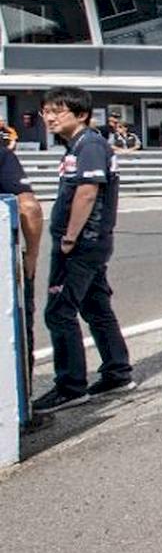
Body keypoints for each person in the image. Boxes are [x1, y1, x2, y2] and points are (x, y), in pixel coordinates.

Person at [34, 87, 134, 414]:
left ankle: (70, 386)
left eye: (57, 111)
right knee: (95, 306)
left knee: (59, 311)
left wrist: (69, 238)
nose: (49, 117)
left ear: (80, 115)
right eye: (46, 111)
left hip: (82, 243)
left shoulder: (89, 144)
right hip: (91, 241)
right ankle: (117, 371)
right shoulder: (79, 144)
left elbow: (88, 192)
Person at [0, 132, 44, 379]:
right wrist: (31, 256)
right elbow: (29, 208)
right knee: (15, 333)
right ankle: (22, 404)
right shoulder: (3, 156)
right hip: (4, 266)